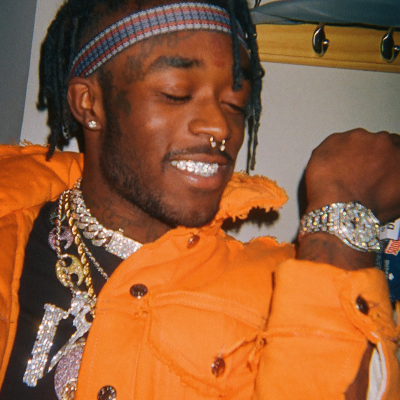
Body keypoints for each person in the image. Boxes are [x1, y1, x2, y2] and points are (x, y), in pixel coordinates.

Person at [0, 0, 399, 399]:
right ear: (89, 103)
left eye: (235, 104)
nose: (220, 126)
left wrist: (340, 214)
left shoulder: (280, 295)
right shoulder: (10, 229)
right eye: (177, 93)